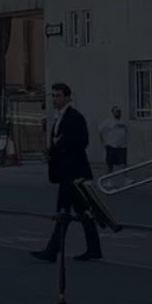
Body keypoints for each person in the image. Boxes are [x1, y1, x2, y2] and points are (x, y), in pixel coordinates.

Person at [31, 82, 102, 262]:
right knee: (82, 212)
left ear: (68, 97)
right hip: (65, 174)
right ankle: (93, 249)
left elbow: (81, 142)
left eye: (58, 96)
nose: (55, 99)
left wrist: (58, 148)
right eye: (53, 96)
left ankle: (52, 251)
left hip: (74, 174)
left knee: (65, 212)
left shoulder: (74, 117)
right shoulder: (58, 117)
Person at [98, 105, 128, 177]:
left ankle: (124, 179)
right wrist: (103, 142)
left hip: (122, 147)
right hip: (112, 146)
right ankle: (108, 180)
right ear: (113, 113)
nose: (119, 113)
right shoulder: (108, 121)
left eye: (119, 111)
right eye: (117, 112)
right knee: (109, 165)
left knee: (123, 164)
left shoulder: (123, 120)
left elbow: (126, 131)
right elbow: (100, 131)